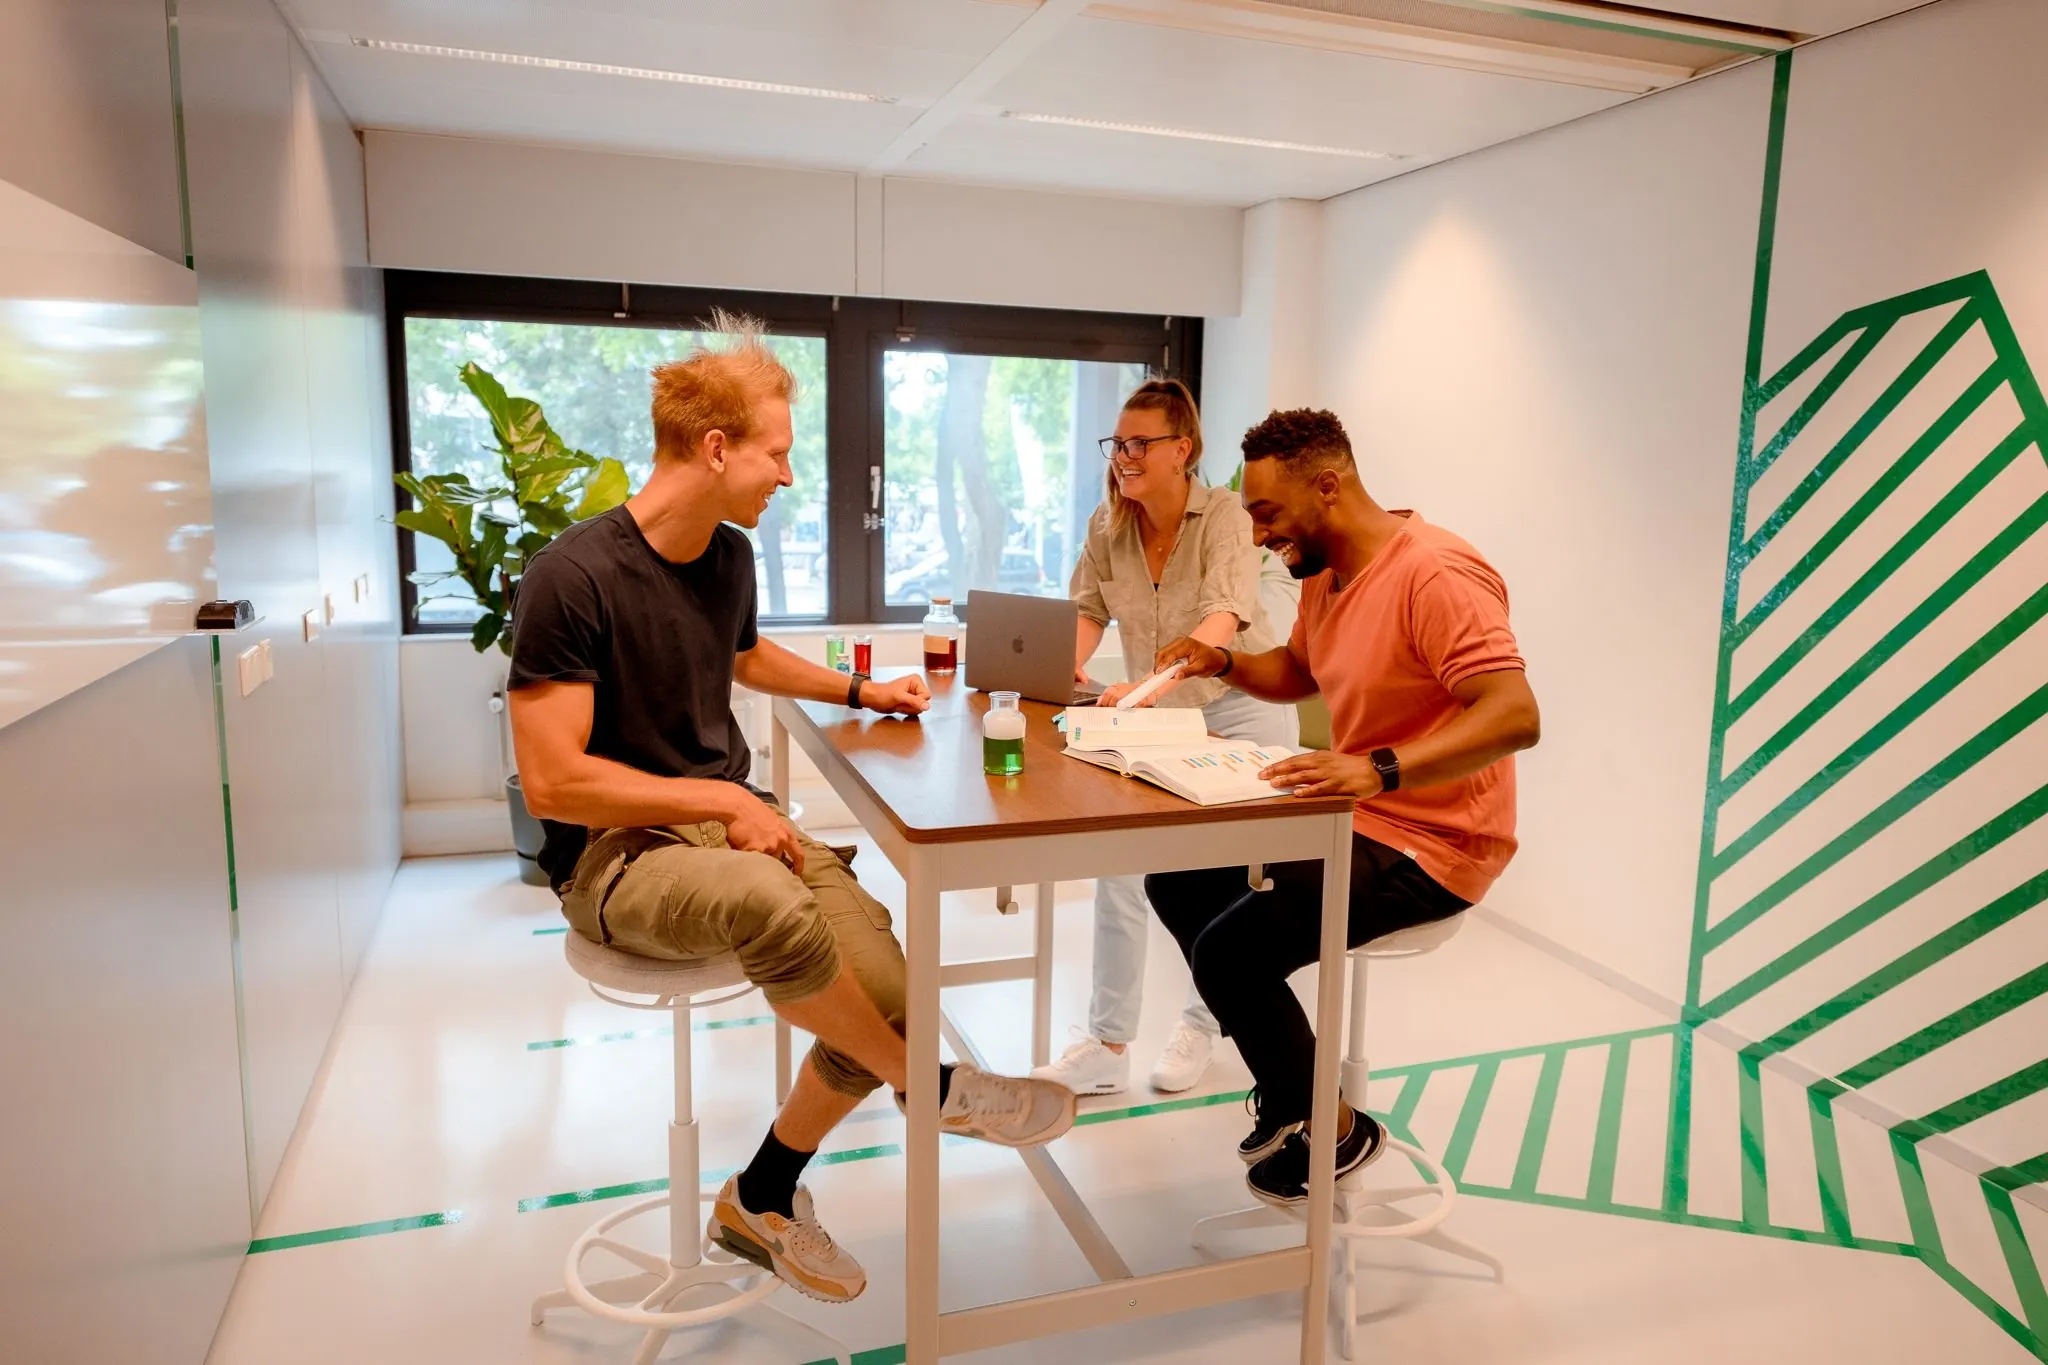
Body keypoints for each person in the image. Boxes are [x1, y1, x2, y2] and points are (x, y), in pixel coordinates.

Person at [507, 313, 1076, 1306]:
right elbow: (554, 782)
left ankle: (762, 1195)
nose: (787, 475)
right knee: (775, 912)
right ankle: (933, 1089)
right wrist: (721, 798)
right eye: (776, 454)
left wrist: (862, 692)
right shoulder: (573, 576)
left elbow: (740, 656)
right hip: (615, 856)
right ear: (717, 447)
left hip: (725, 822)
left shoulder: (726, 558)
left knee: (889, 991)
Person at [1146, 407, 1540, 1208]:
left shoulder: (1435, 574)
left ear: (1328, 486)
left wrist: (1379, 768)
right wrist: (1217, 658)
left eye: (1267, 513)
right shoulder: (1327, 575)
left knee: (1231, 955)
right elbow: (1298, 669)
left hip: (1439, 845)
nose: (1258, 536)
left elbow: (1514, 714)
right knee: (1176, 881)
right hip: (1361, 819)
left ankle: (1335, 1125)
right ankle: (1295, 1088)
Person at [1032, 379, 1297, 1098]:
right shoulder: (1107, 525)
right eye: (1117, 443)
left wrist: (1145, 690)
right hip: (1157, 710)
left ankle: (1203, 1023)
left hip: (1241, 707)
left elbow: (1221, 619)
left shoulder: (1225, 519)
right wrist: (1066, 661)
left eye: (1140, 442)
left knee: (1228, 882)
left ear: (1183, 449)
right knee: (1121, 867)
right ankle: (1108, 1042)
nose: (1124, 455)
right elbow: (1086, 610)